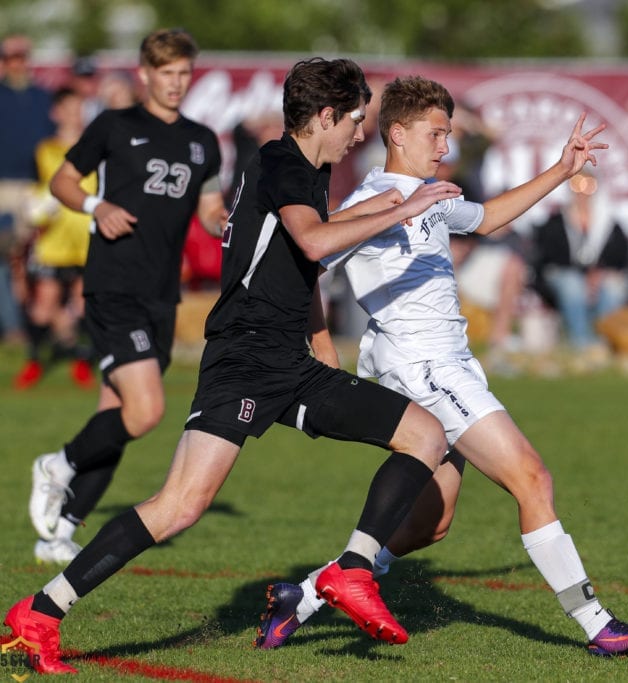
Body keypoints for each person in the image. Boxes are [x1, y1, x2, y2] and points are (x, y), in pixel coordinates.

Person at [3, 57, 462, 676]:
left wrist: (321, 336)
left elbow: (308, 253)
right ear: (326, 116)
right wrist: (400, 209)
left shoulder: (301, 167)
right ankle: (40, 612)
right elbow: (314, 242)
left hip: (285, 360)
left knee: (425, 434)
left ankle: (353, 571)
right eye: (355, 120)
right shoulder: (284, 165)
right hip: (245, 358)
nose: (361, 133)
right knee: (178, 507)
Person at [254, 75, 628, 657]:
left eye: (450, 133)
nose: (446, 146)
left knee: (427, 526)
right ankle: (598, 624)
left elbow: (489, 218)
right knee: (532, 478)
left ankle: (306, 597)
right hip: (424, 367)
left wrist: (563, 169)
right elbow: (310, 263)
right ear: (397, 133)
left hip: (449, 365)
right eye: (436, 133)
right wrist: (322, 348)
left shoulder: (429, 193)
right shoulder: (374, 199)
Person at [26, 28, 228, 565]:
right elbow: (63, 182)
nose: (176, 84)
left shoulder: (202, 141)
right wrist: (97, 207)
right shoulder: (115, 126)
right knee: (145, 412)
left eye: (184, 74)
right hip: (113, 284)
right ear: (144, 75)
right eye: (166, 74)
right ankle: (57, 466)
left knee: (115, 409)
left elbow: (208, 208)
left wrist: (225, 222)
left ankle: (62, 530)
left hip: (162, 293)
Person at [12, 87, 95, 391]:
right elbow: (38, 190)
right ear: (56, 112)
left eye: (79, 108)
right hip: (53, 239)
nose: (74, 114)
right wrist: (36, 206)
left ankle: (82, 362)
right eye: (69, 108)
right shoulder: (45, 149)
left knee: (83, 302)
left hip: (86, 237)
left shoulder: (95, 147)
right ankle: (34, 360)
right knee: (43, 306)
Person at [532, 169, 628, 354]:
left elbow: (622, 259)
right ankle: (580, 343)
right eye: (577, 184)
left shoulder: (609, 224)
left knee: (613, 287)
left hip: (601, 276)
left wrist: (599, 273)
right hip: (565, 274)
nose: (582, 192)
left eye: (589, 186)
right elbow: (547, 258)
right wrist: (582, 274)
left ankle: (603, 342)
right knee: (573, 286)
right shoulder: (556, 222)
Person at [0, 35, 54, 343]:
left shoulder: (40, 97)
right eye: (11, 58)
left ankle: (37, 324)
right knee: (6, 258)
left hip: (35, 188)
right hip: (3, 185)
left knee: (33, 260)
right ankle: (13, 328)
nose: (17, 63)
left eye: (22, 57)